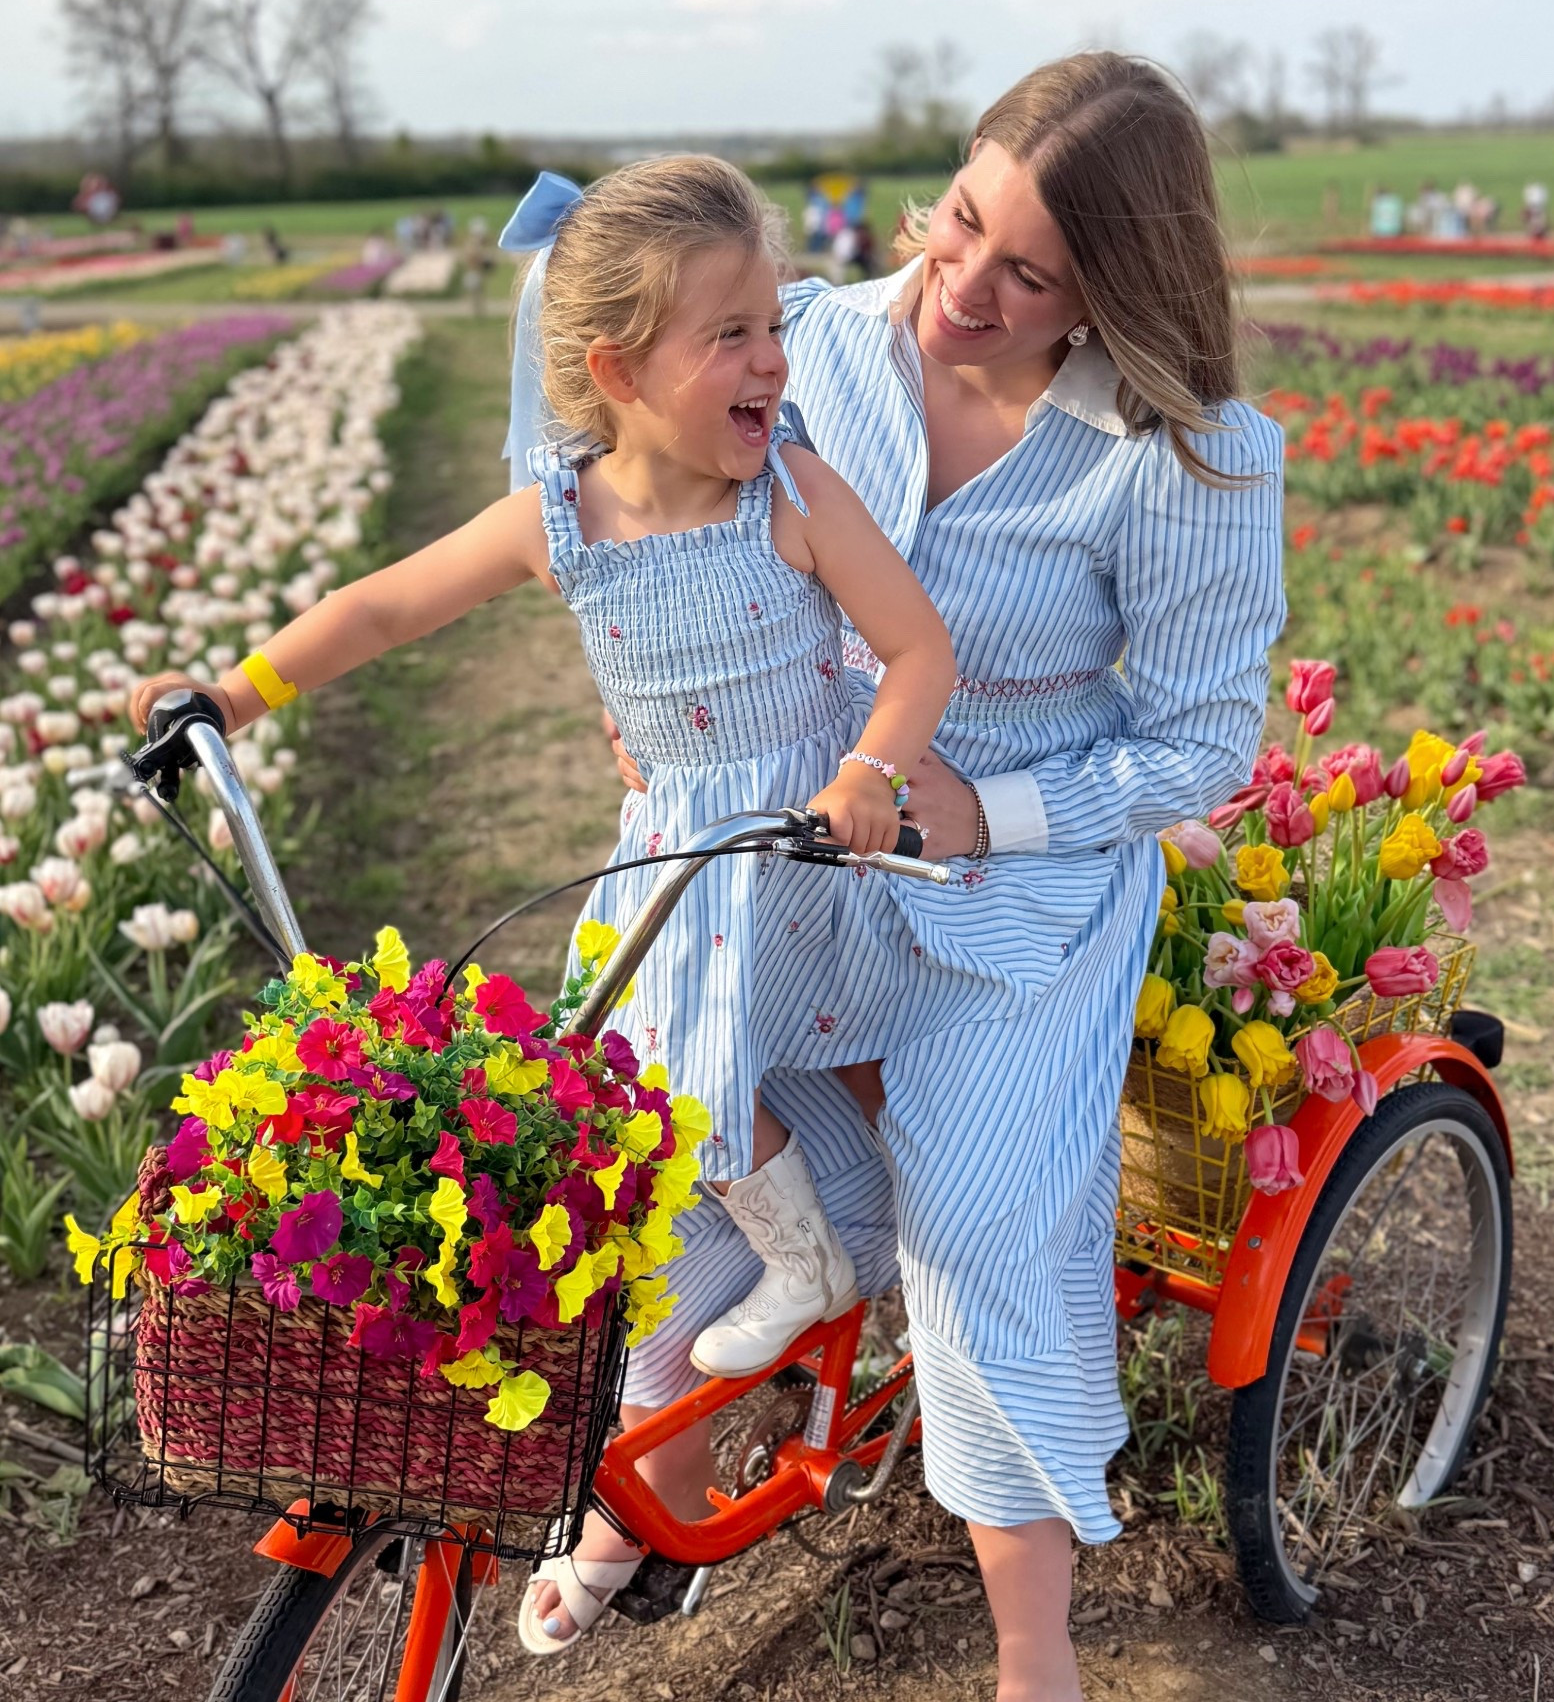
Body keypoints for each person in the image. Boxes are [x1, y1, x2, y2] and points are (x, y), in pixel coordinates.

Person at [504, 53, 1286, 1702]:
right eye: (960, 221)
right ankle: (647, 1493)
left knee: (980, 1235)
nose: (962, 288)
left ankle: (1031, 1652)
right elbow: (634, 506)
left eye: (1031, 277)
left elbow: (1203, 742)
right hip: (790, 855)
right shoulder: (802, 340)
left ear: (1118, 291)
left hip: (1019, 894)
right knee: (662, 1140)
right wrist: (648, 692)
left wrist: (981, 810)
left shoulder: (1183, 455)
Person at [127, 148, 956, 1527]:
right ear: (615, 371)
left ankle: (860, 1289)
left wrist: (870, 768)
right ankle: (677, 1458)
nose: (771, 359)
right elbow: (382, 607)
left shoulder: (793, 497)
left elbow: (917, 648)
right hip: (678, 858)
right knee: (642, 1114)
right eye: (730, 335)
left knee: (822, 1090)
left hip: (808, 846)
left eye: (772, 324)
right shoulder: (561, 520)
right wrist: (231, 695)